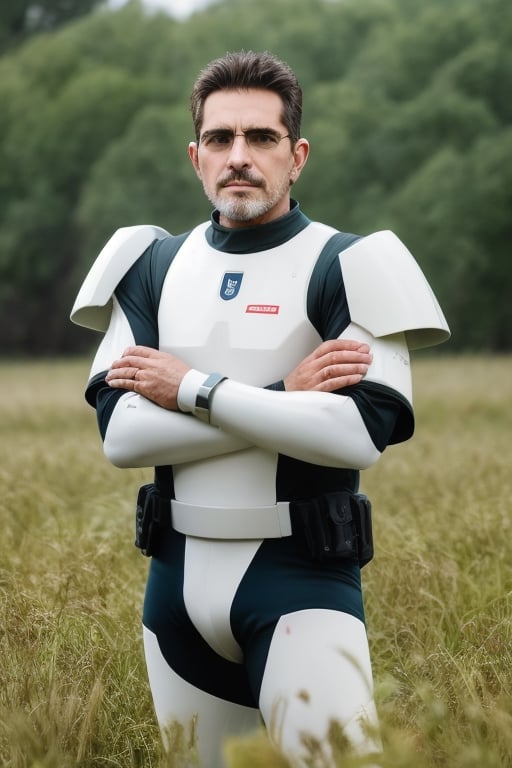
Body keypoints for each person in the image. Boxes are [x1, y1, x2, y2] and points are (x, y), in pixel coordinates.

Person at [71, 50, 450, 768]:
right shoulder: (147, 265)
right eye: (220, 139)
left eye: (261, 138)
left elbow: (354, 433)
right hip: (174, 590)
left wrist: (188, 388)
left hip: (299, 581)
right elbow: (122, 434)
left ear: (297, 154)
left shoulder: (353, 265)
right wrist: (280, 399)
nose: (238, 157)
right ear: (195, 156)